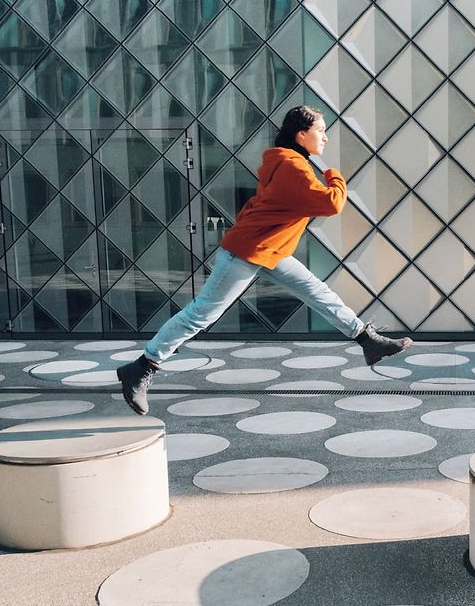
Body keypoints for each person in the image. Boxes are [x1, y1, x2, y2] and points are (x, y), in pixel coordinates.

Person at [116, 105, 413, 415]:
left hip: (271, 251)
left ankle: (367, 340)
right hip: (246, 252)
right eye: (320, 131)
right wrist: (334, 175)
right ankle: (141, 367)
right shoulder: (292, 167)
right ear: (301, 134)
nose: (325, 136)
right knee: (200, 314)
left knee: (317, 292)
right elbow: (331, 203)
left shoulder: (286, 162)